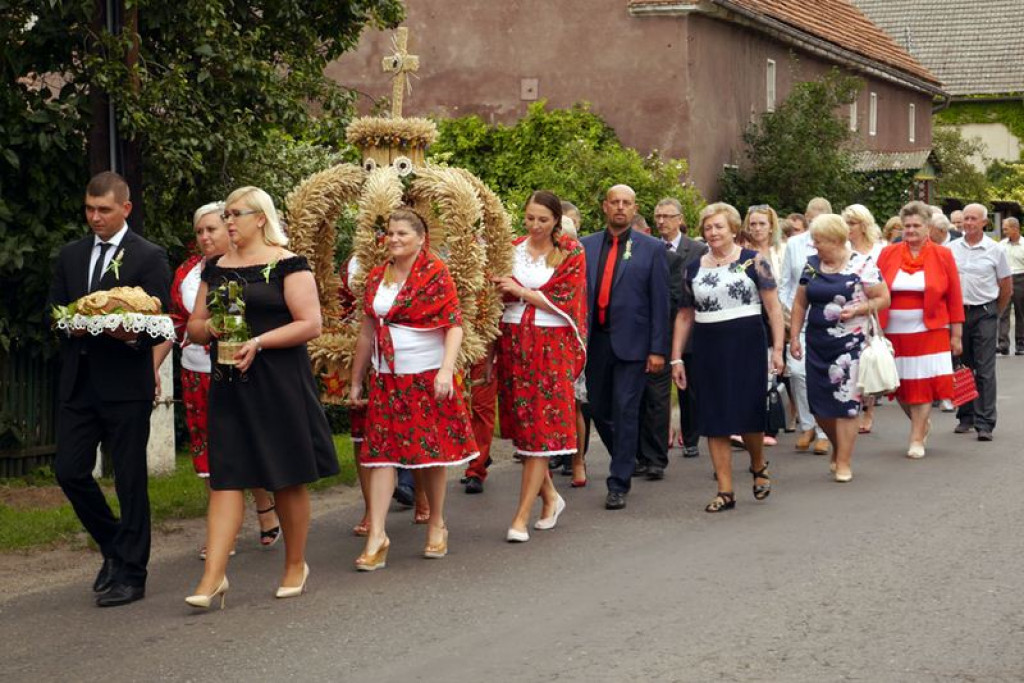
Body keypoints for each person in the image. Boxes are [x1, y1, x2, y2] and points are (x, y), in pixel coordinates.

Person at [185, 186, 338, 609]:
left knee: (285, 476)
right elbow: (194, 325)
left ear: (260, 218)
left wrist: (261, 341)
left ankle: (295, 564)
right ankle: (212, 578)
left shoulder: (288, 264)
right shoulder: (214, 268)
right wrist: (210, 329)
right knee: (226, 478)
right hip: (230, 380)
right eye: (226, 214)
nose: (229, 221)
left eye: (237, 214)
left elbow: (311, 324)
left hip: (278, 381)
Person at [48, 171, 171, 607]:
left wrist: (132, 337)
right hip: (79, 384)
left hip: (125, 385)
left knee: (130, 479)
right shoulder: (71, 255)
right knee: (69, 470)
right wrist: (71, 326)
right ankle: (115, 544)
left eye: (103, 209)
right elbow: (57, 311)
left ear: (125, 209)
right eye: (89, 209)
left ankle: (132, 575)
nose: (94, 217)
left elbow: (160, 322)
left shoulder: (149, 257)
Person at [349, 209, 477, 569]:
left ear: (421, 238)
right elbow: (367, 330)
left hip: (424, 374)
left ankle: (437, 523)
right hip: (386, 377)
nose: (394, 239)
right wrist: (357, 379)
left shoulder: (436, 274)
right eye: (390, 233)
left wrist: (446, 370)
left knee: (429, 453)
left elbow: (453, 325)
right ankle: (377, 535)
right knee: (380, 455)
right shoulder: (377, 276)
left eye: (402, 233)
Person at [165, 202, 280, 558]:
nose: (205, 237)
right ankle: (221, 530)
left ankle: (265, 508)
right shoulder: (188, 272)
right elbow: (179, 321)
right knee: (207, 448)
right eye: (199, 232)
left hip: (238, 367)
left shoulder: (245, 267)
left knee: (244, 441)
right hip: (196, 368)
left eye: (211, 229)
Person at [672, 203, 784, 512]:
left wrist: (777, 349)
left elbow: (773, 308)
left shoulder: (753, 262)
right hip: (708, 347)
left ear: (733, 229)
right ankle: (725, 490)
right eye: (708, 228)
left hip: (747, 343)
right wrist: (676, 358)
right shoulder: (693, 267)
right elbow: (684, 315)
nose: (713, 233)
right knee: (714, 417)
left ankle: (758, 464)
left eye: (719, 226)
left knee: (749, 412)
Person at [492, 191, 587, 541]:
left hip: (551, 345)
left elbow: (565, 298)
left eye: (542, 220)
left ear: (556, 221)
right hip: (514, 341)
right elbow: (494, 290)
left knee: (542, 426)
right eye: (530, 218)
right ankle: (549, 497)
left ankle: (520, 517)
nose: (534, 226)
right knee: (527, 427)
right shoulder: (512, 247)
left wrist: (519, 290)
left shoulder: (571, 252)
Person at [581, 185, 669, 510]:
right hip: (596, 342)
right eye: (615, 202)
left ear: (634, 209)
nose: (620, 207)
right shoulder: (585, 246)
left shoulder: (651, 248)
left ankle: (618, 481)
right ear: (605, 207)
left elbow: (661, 303)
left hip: (633, 345)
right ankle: (627, 452)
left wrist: (658, 349)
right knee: (596, 408)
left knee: (625, 408)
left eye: (626, 203)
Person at [789, 214, 890, 482]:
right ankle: (838, 445)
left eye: (819, 241)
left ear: (836, 240)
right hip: (817, 342)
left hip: (850, 344)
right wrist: (794, 337)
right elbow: (800, 303)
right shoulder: (811, 265)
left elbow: (883, 297)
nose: (814, 246)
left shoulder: (862, 264)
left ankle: (844, 460)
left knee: (846, 403)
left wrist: (859, 308)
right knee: (818, 404)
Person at [877, 201, 964, 458]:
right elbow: (875, 289)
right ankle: (921, 423)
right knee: (901, 386)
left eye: (916, 225)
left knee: (924, 384)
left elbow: (955, 297)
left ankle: (916, 437)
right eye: (907, 226)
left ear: (928, 228)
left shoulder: (943, 255)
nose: (911, 230)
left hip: (931, 330)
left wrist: (956, 334)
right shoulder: (887, 255)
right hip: (894, 331)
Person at [948, 203, 1011, 441]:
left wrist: (995, 310)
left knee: (984, 369)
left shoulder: (995, 250)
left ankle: (985, 422)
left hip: (984, 312)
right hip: (959, 314)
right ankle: (966, 416)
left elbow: (1005, 286)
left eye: (974, 219)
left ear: (985, 222)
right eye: (966, 218)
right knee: (962, 365)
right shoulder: (952, 249)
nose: (969, 223)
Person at [779, 197, 833, 456]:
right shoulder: (794, 244)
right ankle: (807, 425)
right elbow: (786, 282)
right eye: (811, 220)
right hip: (798, 319)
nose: (814, 226)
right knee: (798, 373)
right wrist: (787, 315)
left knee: (823, 375)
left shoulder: (838, 246)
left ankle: (824, 432)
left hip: (827, 320)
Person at [655, 198, 707, 458]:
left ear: (680, 219)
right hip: (659, 324)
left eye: (667, 216)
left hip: (689, 323)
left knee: (690, 386)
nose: (662, 221)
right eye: (658, 216)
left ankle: (691, 437)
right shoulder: (651, 248)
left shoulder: (697, 249)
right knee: (658, 386)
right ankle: (659, 438)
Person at [637, 205, 685, 478]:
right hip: (627, 339)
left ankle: (655, 458)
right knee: (632, 400)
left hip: (658, 336)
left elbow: (674, 299)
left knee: (656, 399)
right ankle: (636, 455)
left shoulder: (670, 259)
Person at [742, 204, 784, 446]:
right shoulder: (741, 252)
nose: (757, 229)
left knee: (774, 370)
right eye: (753, 224)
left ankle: (769, 420)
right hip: (752, 313)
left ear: (771, 227)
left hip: (777, 314)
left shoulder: (781, 251)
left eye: (762, 224)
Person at [842, 204, 884, 433]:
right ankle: (851, 408)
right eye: (846, 223)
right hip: (846, 313)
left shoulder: (878, 250)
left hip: (871, 312)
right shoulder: (843, 249)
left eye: (853, 223)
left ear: (863, 225)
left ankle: (868, 411)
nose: (848, 228)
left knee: (867, 360)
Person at [997, 217, 1024, 355]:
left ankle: (1021, 344)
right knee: (1003, 312)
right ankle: (1003, 344)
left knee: (1021, 313)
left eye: (1006, 228)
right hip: (1005, 279)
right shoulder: (1001, 245)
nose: (1004, 231)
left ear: (1015, 228)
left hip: (1021, 278)